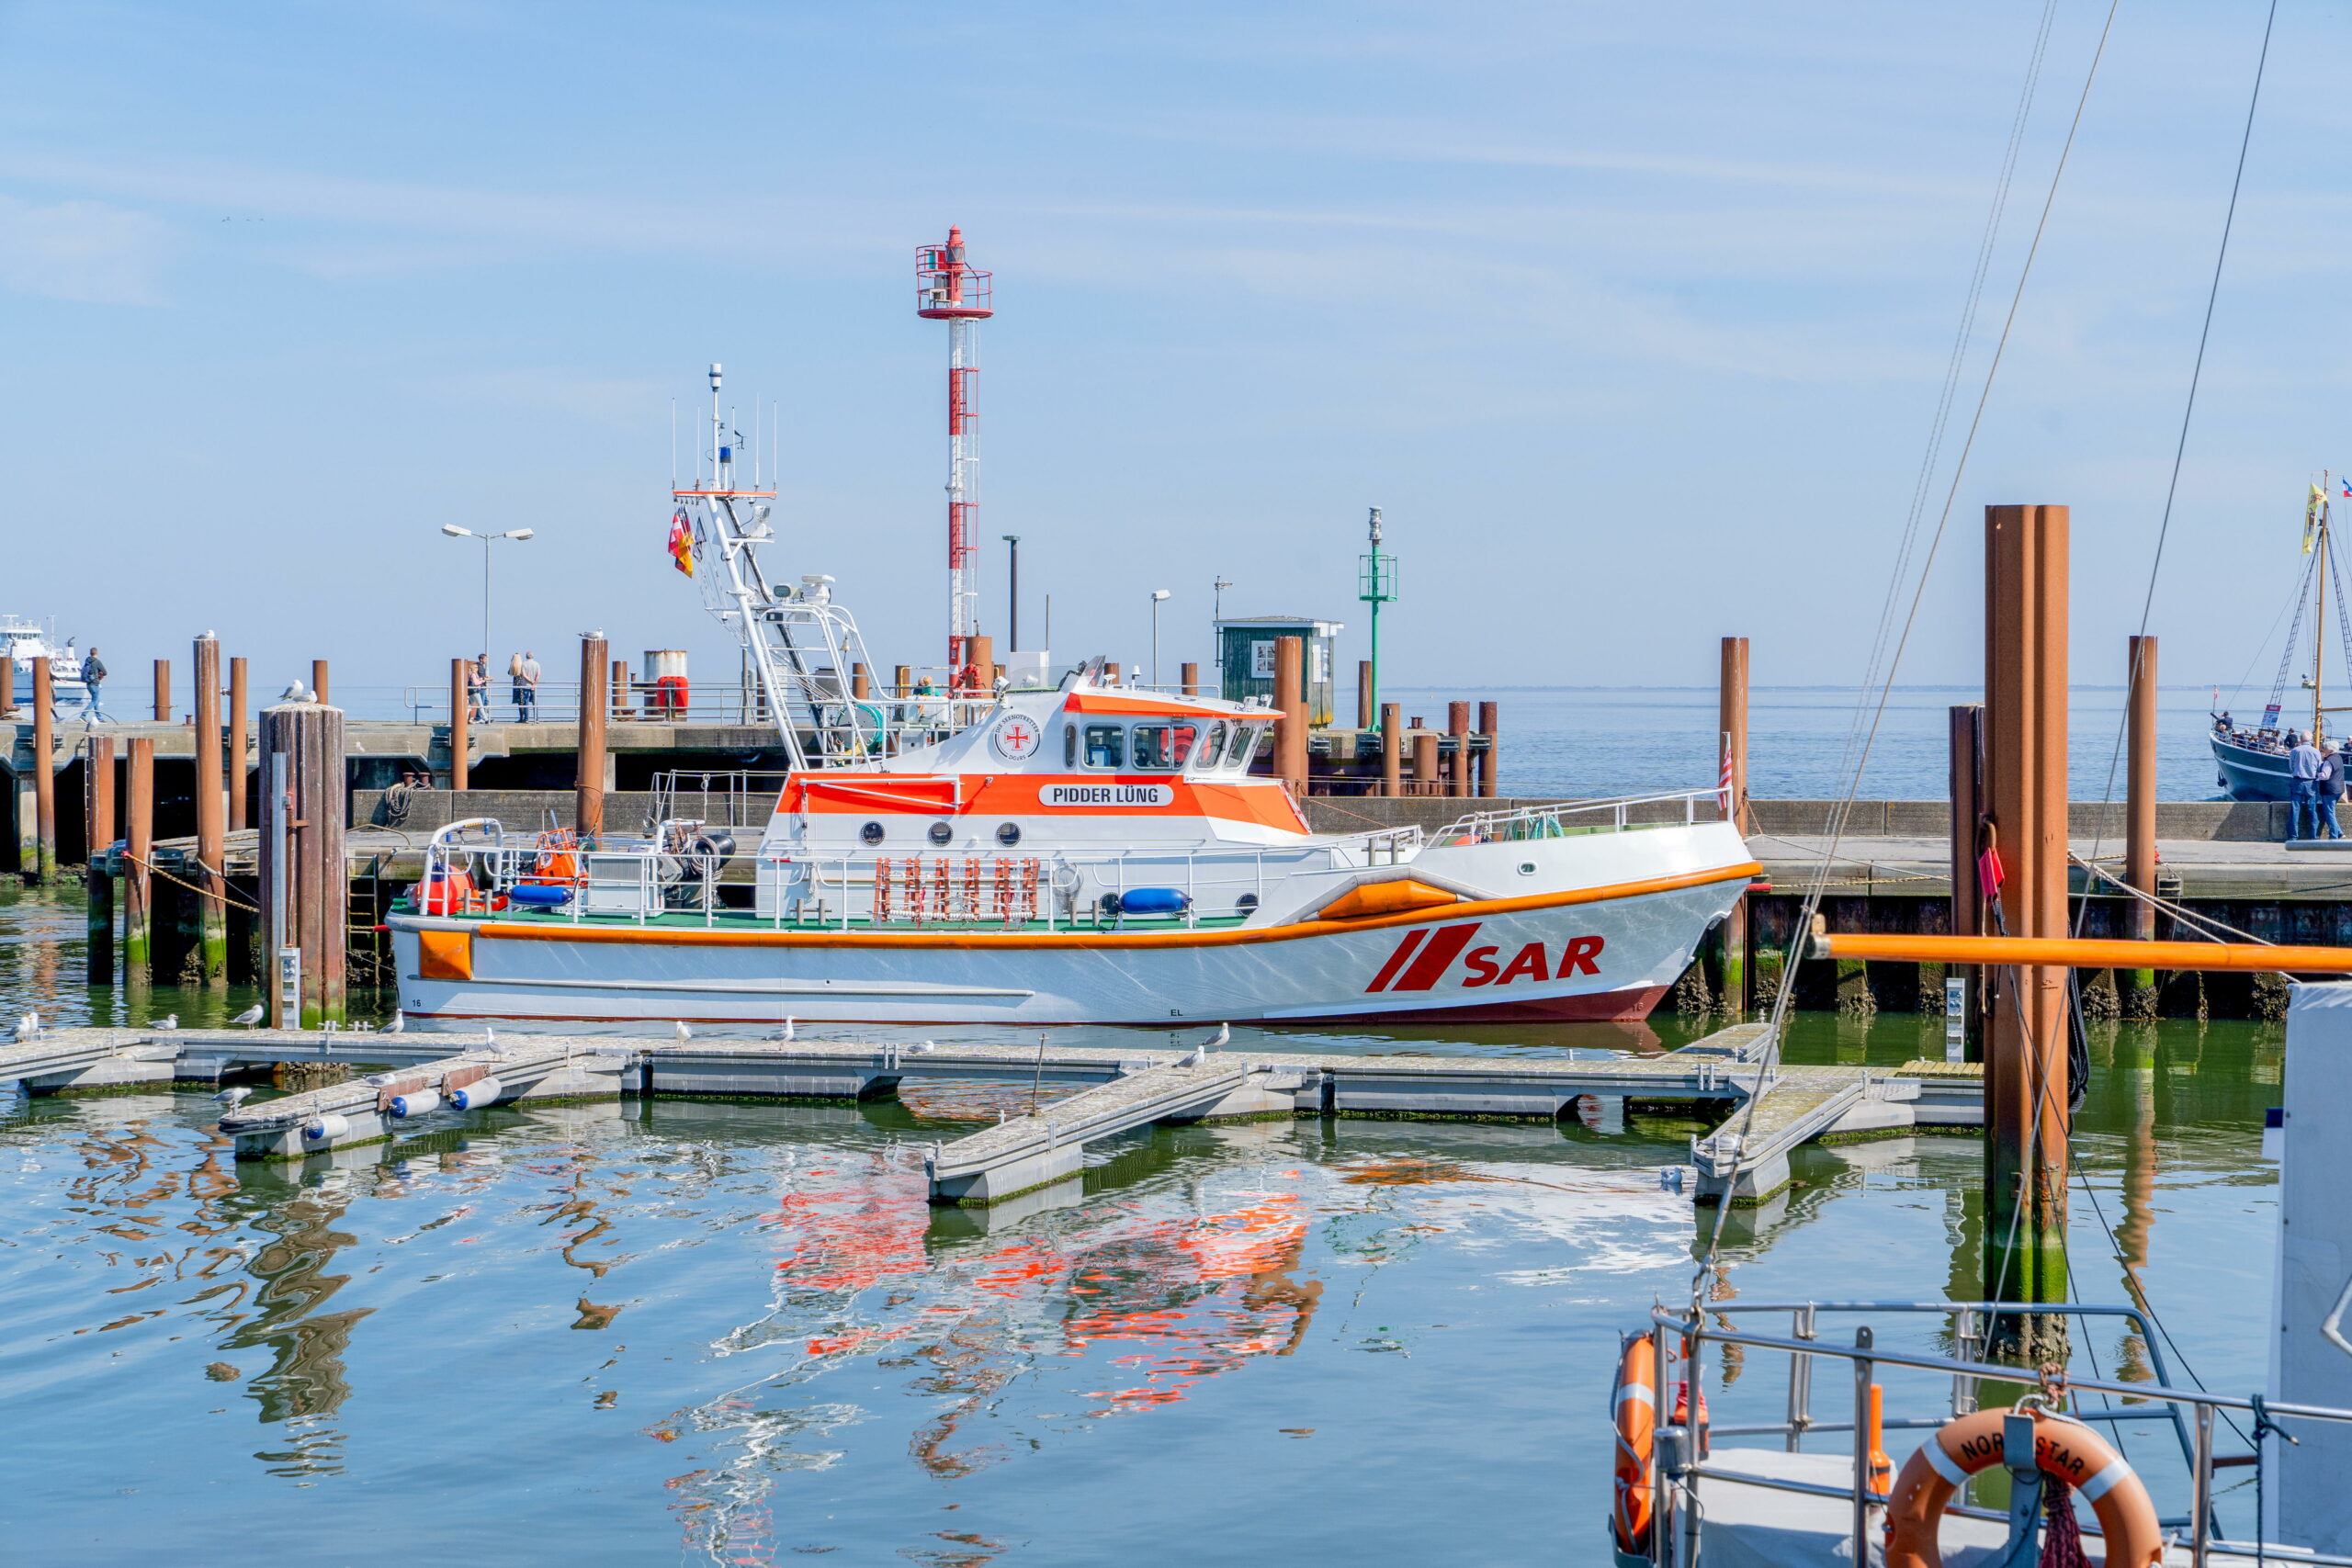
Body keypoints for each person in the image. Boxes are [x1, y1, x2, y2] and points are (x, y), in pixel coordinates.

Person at [2290, 731, 2324, 840]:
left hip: (2297, 781)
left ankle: (2293, 836)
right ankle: (2313, 836)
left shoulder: (2295, 750)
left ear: (2300, 739)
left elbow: (2291, 767)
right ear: (2311, 739)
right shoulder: (2316, 752)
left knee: (2295, 809)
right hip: (2311, 782)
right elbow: (2319, 767)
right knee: (2312, 809)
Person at [2321, 742, 2347, 840]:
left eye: (2325, 748)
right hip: (2339, 789)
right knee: (2329, 811)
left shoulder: (2329, 761)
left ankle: (2334, 836)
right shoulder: (2339, 758)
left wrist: (2316, 774)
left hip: (2329, 790)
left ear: (2330, 750)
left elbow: (2325, 776)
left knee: (2329, 813)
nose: (2323, 750)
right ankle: (2339, 833)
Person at [79, 647, 109, 723]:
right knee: (95, 700)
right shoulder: (97, 661)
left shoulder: (87, 661)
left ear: (90, 653)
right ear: (97, 653)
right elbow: (105, 672)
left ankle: (99, 718)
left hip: (88, 684)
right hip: (95, 684)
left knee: (96, 700)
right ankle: (83, 715)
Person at [512, 650, 541, 720]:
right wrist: (534, 683)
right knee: (534, 702)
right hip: (534, 686)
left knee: (526, 702)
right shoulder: (537, 664)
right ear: (533, 656)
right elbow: (538, 675)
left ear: (526, 656)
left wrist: (530, 681)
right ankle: (536, 719)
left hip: (525, 685)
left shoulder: (524, 664)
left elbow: (524, 676)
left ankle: (526, 719)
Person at [468, 654, 490, 723]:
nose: (477, 669)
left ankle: (469, 718)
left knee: (470, 705)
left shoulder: (475, 673)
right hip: (476, 690)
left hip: (474, 691)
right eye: (485, 659)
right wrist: (484, 680)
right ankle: (483, 718)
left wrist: (482, 680)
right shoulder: (474, 673)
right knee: (481, 704)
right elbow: (476, 682)